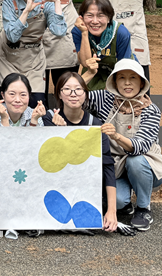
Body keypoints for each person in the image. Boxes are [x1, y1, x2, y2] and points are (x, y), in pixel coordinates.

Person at [86, 59, 162, 231]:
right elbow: (76, 97)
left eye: (133, 78)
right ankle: (125, 204)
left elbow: (139, 146)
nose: (127, 83)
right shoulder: (105, 99)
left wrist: (116, 135)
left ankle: (144, 208)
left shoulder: (151, 110)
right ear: (114, 82)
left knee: (135, 161)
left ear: (142, 83)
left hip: (146, 165)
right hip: (115, 165)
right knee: (119, 201)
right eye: (121, 78)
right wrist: (88, 75)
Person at [43, 72, 118, 232]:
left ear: (85, 95)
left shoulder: (95, 125)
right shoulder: (49, 119)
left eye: (78, 89)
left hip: (84, 185)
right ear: (59, 95)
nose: (73, 94)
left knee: (122, 201)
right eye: (67, 89)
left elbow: (107, 166)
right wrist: (56, 132)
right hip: (53, 185)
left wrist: (112, 210)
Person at [0, 0, 66, 105]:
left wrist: (56, 2)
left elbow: (59, 32)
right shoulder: (9, 3)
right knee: (9, 100)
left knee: (36, 101)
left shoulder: (47, 2)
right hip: (8, 54)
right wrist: (26, 10)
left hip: (34, 56)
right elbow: (12, 36)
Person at [72, 0, 135, 90]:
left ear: (109, 17)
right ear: (81, 17)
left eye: (100, 15)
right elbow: (85, 63)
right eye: (89, 15)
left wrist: (109, 91)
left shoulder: (121, 33)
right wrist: (84, 33)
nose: (95, 21)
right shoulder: (78, 31)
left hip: (120, 74)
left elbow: (124, 67)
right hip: (92, 74)